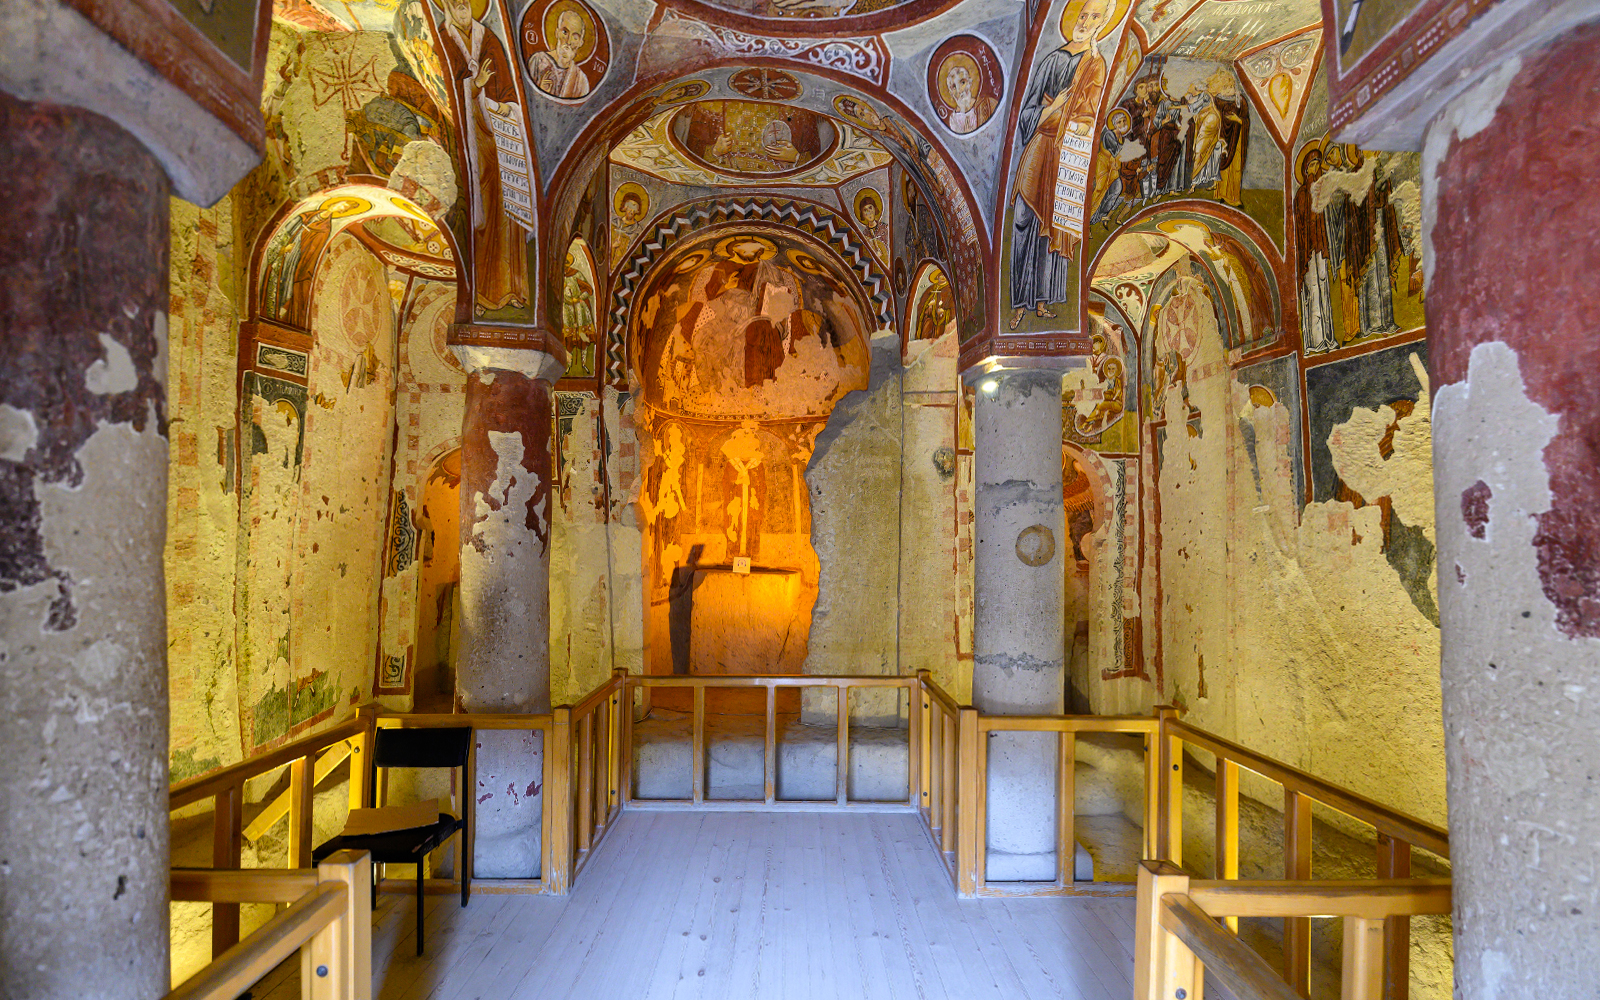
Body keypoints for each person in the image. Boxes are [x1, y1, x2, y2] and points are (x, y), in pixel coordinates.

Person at [1009, 0, 1112, 330]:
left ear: (1102, 24)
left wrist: (1078, 122)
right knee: (1024, 218)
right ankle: (1018, 303)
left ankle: (1040, 303)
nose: (1085, 20)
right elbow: (1025, 116)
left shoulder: (1095, 65)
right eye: (1083, 14)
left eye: (1094, 17)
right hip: (1041, 146)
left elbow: (1089, 115)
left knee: (1052, 227)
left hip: (1066, 153)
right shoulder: (1052, 59)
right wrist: (1056, 109)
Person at [436, 0, 528, 313]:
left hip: (498, 133)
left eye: (467, 0)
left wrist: (502, 108)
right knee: (485, 206)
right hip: (467, 142)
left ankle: (512, 288)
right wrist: (474, 87)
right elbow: (444, 91)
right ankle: (486, 292)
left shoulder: (489, 40)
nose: (462, 5)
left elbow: (510, 95)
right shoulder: (443, 39)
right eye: (456, 1)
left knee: (509, 203)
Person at [527, 8, 592, 100]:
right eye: (565, 32)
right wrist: (540, 91)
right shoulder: (538, 60)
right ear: (557, 33)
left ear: (580, 43)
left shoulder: (580, 79)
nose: (568, 41)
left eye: (575, 37)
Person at [943, 59, 997, 134]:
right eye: (954, 87)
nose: (960, 90)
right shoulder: (954, 119)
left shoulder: (988, 104)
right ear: (951, 93)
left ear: (970, 83)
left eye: (963, 82)